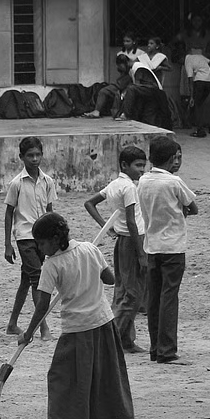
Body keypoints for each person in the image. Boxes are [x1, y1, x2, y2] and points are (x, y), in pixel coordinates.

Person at [18, 212, 135, 419]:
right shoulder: (89, 249)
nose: (40, 249)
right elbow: (110, 278)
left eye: (41, 243)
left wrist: (29, 331)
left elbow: (42, 304)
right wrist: (88, 271)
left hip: (77, 328)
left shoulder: (52, 265)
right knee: (103, 375)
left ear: (54, 239)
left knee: (60, 378)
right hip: (103, 321)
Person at [137, 135, 198, 364]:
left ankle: (155, 348)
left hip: (152, 245)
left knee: (154, 298)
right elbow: (193, 207)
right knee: (169, 297)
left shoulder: (143, 181)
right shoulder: (174, 182)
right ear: (173, 158)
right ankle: (167, 350)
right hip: (173, 246)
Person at [85, 145, 148, 353]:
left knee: (123, 291)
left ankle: (127, 340)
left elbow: (90, 203)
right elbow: (132, 221)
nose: (141, 170)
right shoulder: (129, 187)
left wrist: (106, 226)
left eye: (143, 166)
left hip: (121, 241)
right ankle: (114, 339)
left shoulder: (114, 185)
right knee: (133, 294)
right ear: (124, 165)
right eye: (138, 165)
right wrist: (141, 253)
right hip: (132, 240)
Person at [4, 136, 56, 339]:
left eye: (37, 155)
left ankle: (12, 323)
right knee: (37, 280)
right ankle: (43, 328)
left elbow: (50, 211)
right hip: (24, 236)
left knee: (26, 280)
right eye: (30, 156)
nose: (34, 159)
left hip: (42, 238)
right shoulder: (16, 183)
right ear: (22, 158)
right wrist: (8, 244)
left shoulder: (48, 181)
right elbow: (9, 212)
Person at [173, 15, 210, 138]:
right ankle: (190, 122)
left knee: (195, 102)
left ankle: (199, 127)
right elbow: (174, 42)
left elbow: (190, 80)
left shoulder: (207, 34)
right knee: (193, 100)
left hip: (197, 76)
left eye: (199, 20)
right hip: (203, 74)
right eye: (194, 20)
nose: (197, 23)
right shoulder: (186, 34)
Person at [92, 54, 132, 118]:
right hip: (120, 86)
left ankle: (97, 111)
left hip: (124, 87)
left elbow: (121, 85)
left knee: (103, 91)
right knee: (102, 90)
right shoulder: (124, 70)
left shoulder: (130, 70)